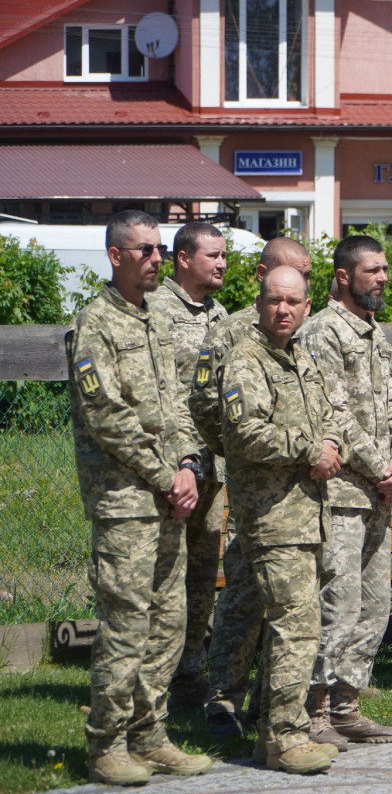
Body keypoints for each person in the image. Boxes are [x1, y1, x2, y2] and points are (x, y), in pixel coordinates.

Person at [66, 209, 213, 785]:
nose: (157, 259)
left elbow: (177, 405)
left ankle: (151, 736)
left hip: (167, 494)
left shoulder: (154, 320)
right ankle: (107, 744)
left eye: (159, 249)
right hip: (124, 500)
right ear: (116, 256)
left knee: (168, 623)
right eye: (145, 250)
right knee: (126, 624)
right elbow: (108, 417)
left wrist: (187, 465)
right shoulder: (94, 325)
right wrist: (163, 474)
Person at [220, 265, 343, 774]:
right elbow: (243, 432)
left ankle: (272, 736)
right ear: (260, 302)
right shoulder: (245, 360)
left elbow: (330, 410)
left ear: (307, 306)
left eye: (293, 302)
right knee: (296, 628)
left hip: (309, 515)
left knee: (292, 630)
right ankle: (286, 738)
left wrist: (331, 441)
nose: (283, 309)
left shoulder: (303, 356)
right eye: (274, 300)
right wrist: (309, 447)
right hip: (272, 518)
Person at [191, 237, 314, 740]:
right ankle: (222, 697)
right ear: (263, 282)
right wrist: (241, 455)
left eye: (302, 283)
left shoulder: (302, 339)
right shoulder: (231, 335)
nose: (286, 301)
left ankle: (272, 705)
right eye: (280, 286)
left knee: (286, 607)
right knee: (242, 597)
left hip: (299, 498)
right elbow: (203, 404)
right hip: (255, 492)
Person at [302, 235, 392, 747]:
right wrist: (377, 466)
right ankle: (315, 711)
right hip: (342, 494)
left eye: (385, 269)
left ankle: (348, 704)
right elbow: (333, 414)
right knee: (338, 603)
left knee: (374, 603)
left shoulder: (376, 334)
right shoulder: (322, 331)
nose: (383, 278)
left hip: (378, 495)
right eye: (373, 270)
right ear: (344, 276)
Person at [146, 222, 229, 708]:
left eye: (223, 256)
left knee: (201, 575)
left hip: (213, 468)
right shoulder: (155, 310)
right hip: (171, 470)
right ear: (182, 258)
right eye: (212, 256)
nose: (221, 264)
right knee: (164, 574)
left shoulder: (220, 315)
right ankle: (152, 676)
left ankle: (189, 673)